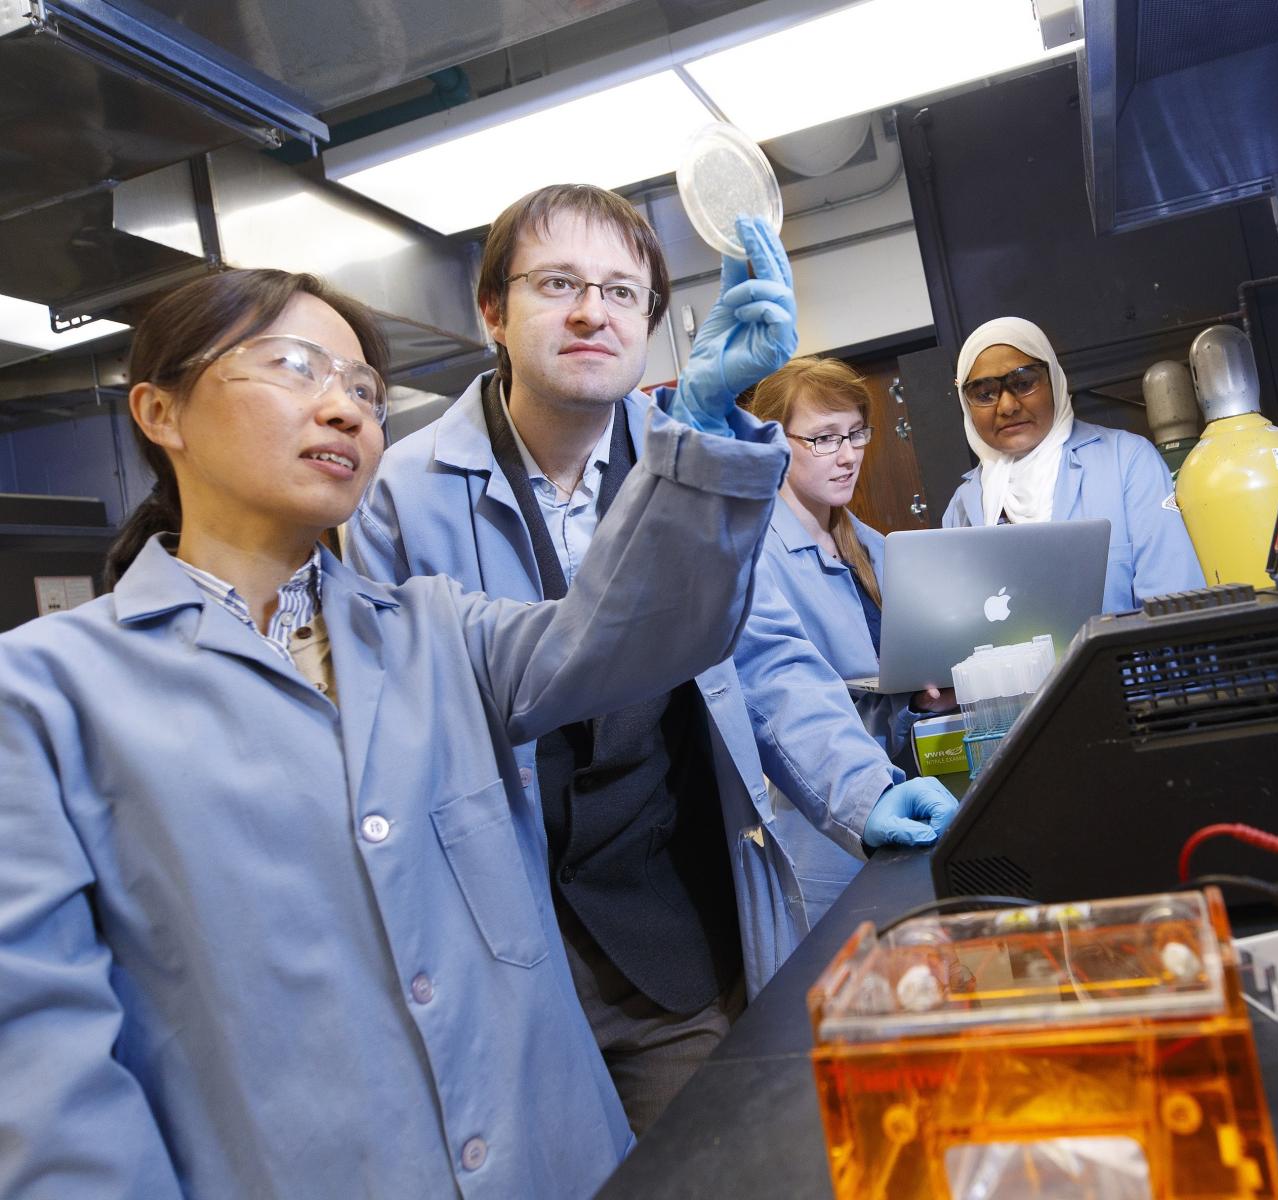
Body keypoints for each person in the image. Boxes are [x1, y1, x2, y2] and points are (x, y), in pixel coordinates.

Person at [0, 267, 788, 1197]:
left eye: (364, 390)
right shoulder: (45, 695)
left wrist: (690, 440)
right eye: (295, 366)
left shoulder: (437, 631)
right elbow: (50, 1076)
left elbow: (641, 633)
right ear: (160, 411)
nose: (342, 409)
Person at [347, 184, 957, 1133]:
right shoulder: (399, 494)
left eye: (623, 292)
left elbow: (760, 654)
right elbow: (385, 738)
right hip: (506, 934)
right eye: (557, 283)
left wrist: (861, 787)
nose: (593, 311)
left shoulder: (695, 458)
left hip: (676, 924)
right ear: (492, 312)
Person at [746, 356, 955, 765]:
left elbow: (886, 694)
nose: (848, 457)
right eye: (825, 438)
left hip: (906, 771)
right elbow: (791, 716)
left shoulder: (873, 546)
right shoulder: (753, 561)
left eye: (855, 434)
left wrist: (922, 700)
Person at [944, 316, 1205, 611]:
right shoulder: (963, 507)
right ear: (967, 405)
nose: (1007, 406)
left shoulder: (1126, 462)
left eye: (1023, 382)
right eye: (984, 393)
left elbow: (1176, 606)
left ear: (1054, 380)